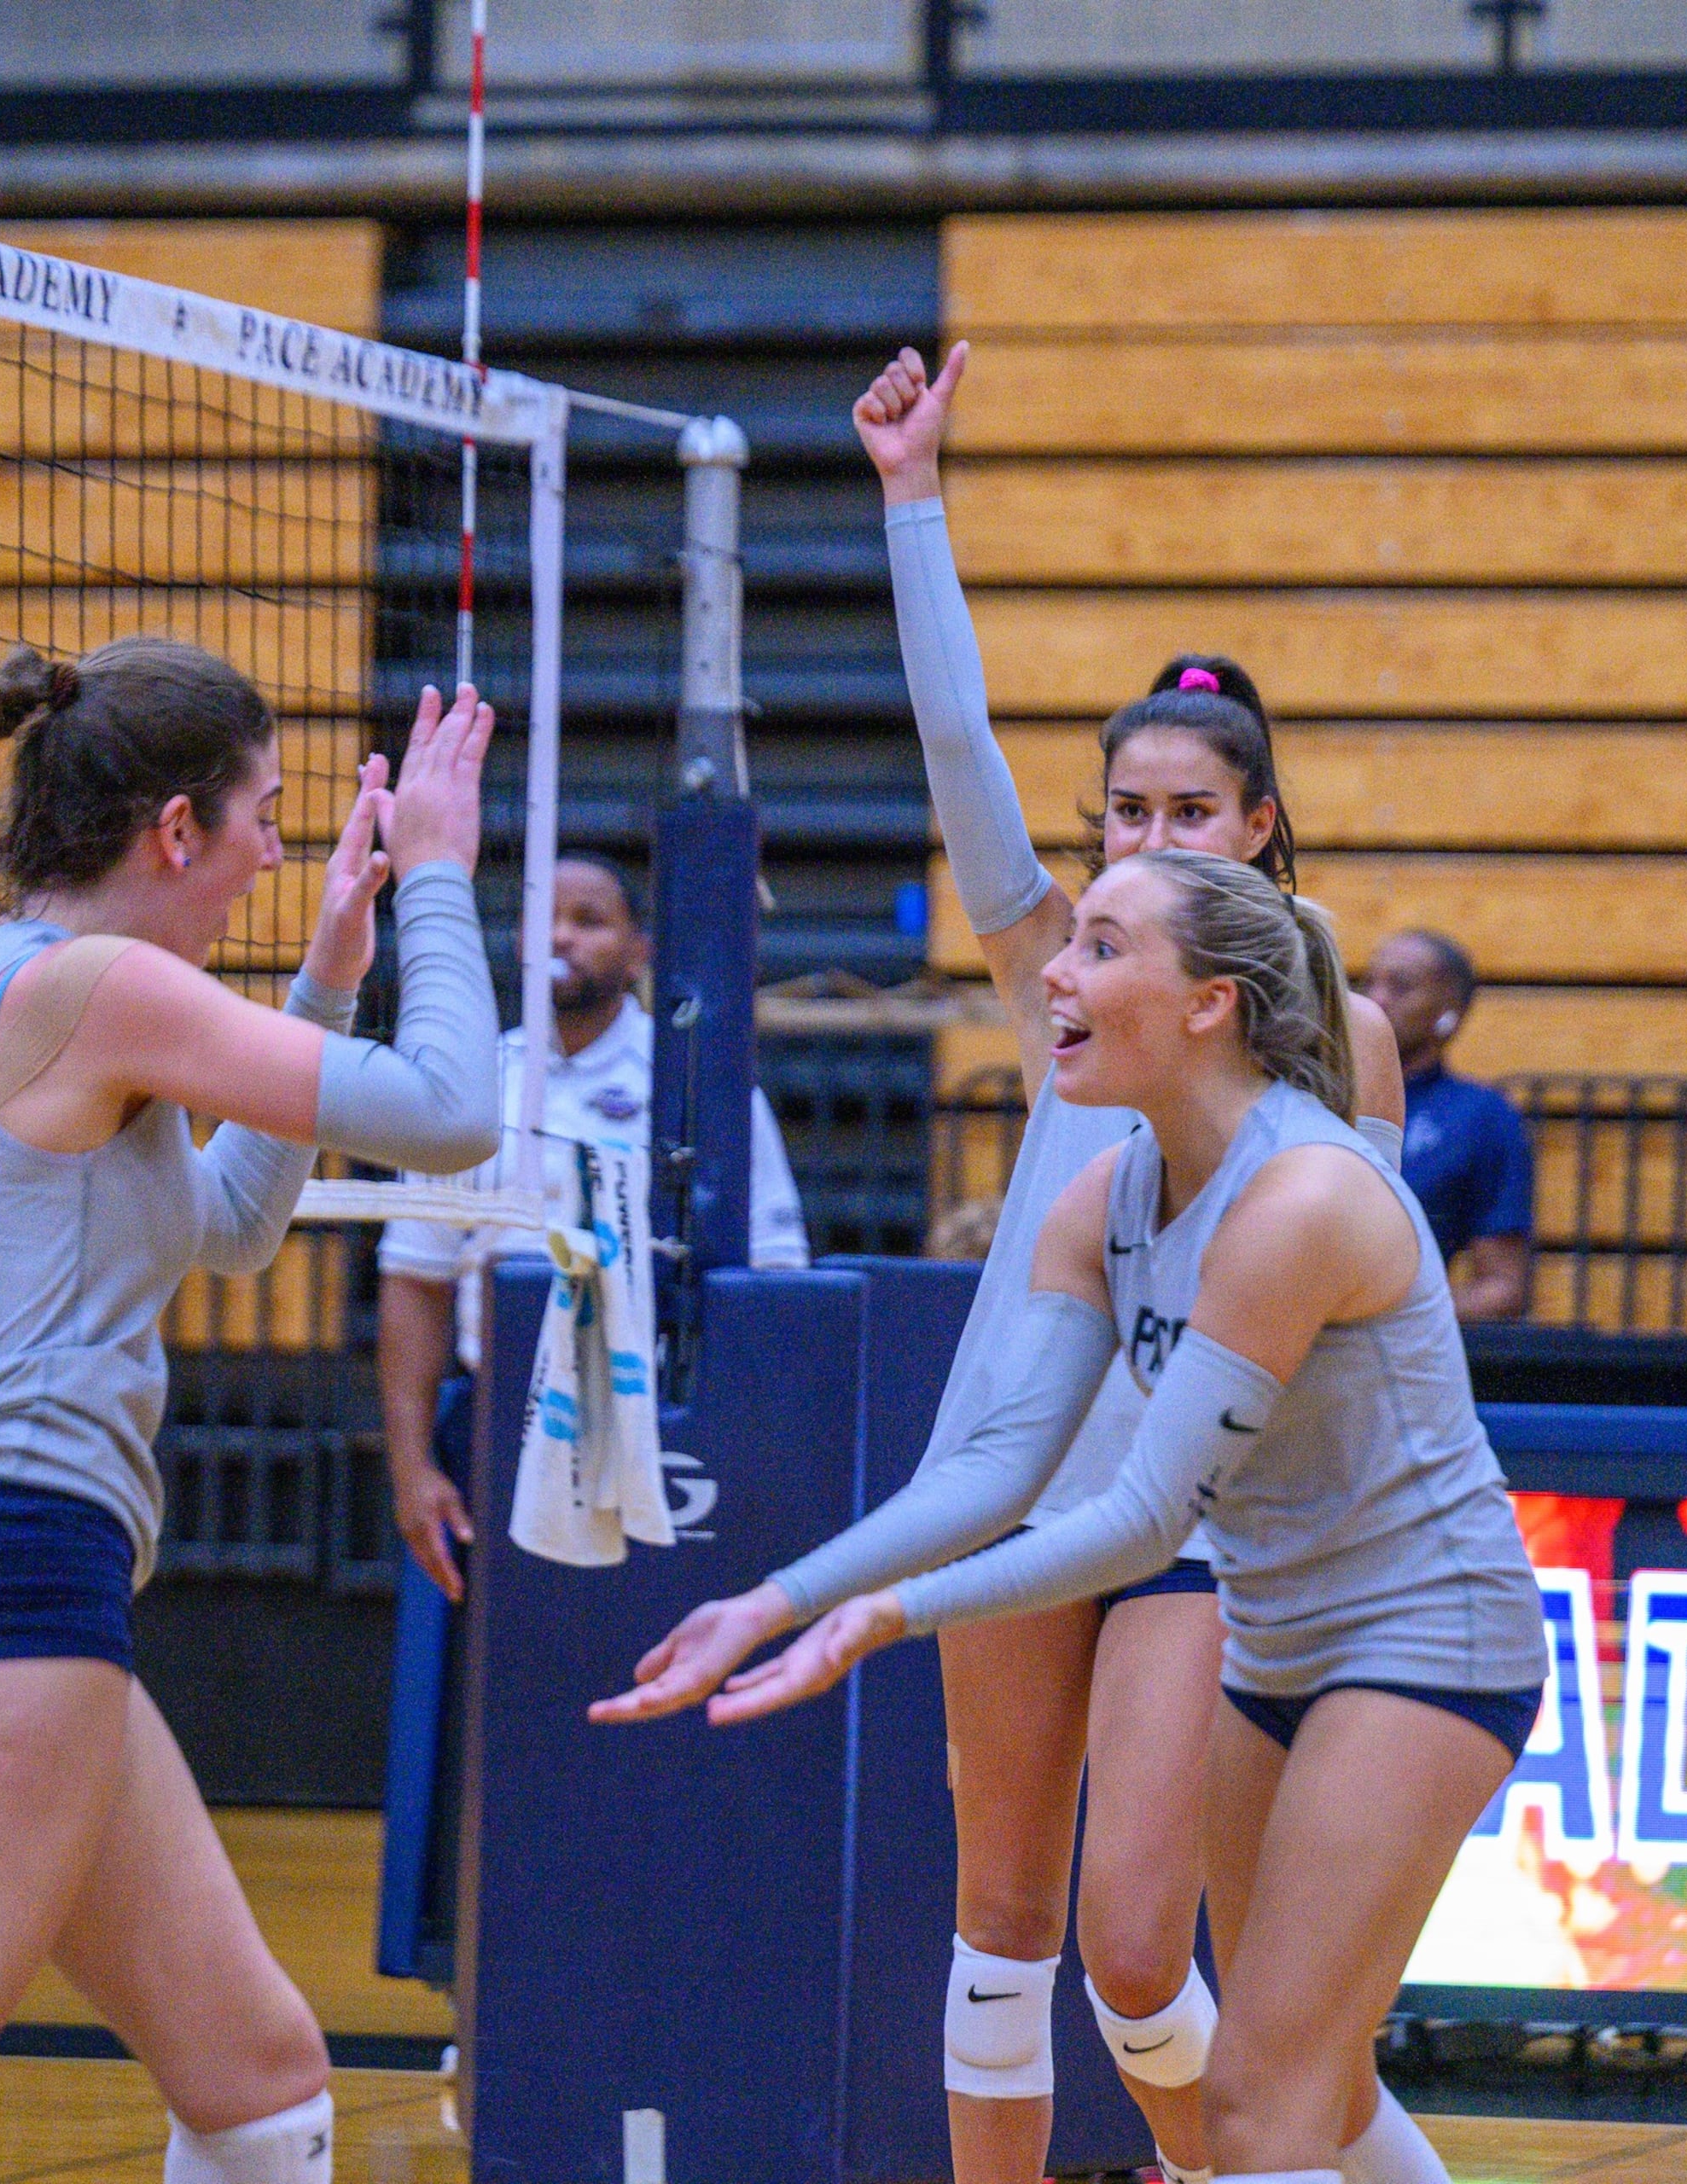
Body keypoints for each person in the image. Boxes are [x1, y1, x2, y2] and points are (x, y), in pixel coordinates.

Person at [688, 337, 1419, 2184]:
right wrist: (911, 501)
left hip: (1198, 1520)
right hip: (1016, 1490)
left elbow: (1352, 1325)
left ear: (1260, 827)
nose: (1152, 840)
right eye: (1128, 814)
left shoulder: (1336, 1034)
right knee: (997, 1930)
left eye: (1192, 813)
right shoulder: (1063, 976)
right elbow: (958, 762)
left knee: (1137, 1955)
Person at [0, 526, 503, 2184]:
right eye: (267, 818)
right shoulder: (97, 991)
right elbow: (453, 1111)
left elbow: (227, 1227)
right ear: (174, 829)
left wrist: (329, 973)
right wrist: (439, 867)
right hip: (3, 1573)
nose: (279, 852)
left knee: (260, 2082)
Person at [597, 850, 1543, 2184]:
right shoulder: (1105, 1198)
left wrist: (887, 1615)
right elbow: (997, 1470)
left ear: (1210, 1003)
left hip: (1429, 1640)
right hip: (1279, 1646)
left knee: (1255, 2101)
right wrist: (776, 1600)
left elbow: (1148, 1519)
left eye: (1103, 946)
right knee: (1316, 2097)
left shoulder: (1303, 1198)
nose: (1056, 972)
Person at [375, 852, 808, 1601]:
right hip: (497, 1414)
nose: (561, 937)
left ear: (640, 950)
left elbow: (775, 1274)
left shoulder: (702, 1085)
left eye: (589, 920)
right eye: (544, 919)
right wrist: (410, 1468)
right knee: (509, 1654)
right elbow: (415, 1279)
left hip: (663, 1420)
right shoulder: (472, 1085)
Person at [1358, 931, 1532, 1322]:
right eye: (1370, 983)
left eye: (1401, 986)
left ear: (1448, 1013)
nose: (1376, 1000)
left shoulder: (1482, 1116)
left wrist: (1387, 1318)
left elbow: (1502, 1289)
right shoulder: (1314, 1095)